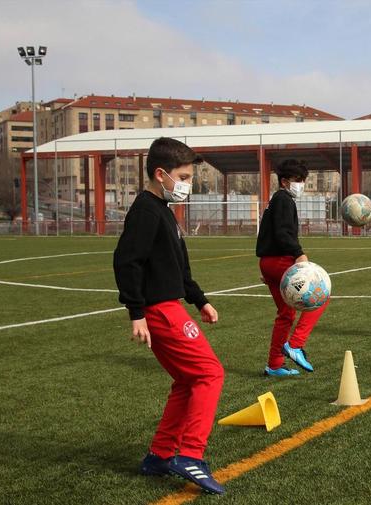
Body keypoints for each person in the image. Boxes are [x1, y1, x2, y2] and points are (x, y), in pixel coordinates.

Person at [113, 137, 225, 495]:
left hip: (171, 305)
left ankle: (160, 455)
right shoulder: (146, 210)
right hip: (160, 311)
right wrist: (136, 313)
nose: (188, 184)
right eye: (184, 176)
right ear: (160, 175)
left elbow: (180, 266)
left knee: (187, 381)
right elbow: (126, 260)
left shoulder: (163, 209)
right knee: (210, 374)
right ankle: (190, 454)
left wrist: (200, 300)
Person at [256, 159, 327, 377]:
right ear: (285, 182)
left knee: (285, 314)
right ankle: (295, 345)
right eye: (298, 181)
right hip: (280, 260)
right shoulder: (284, 199)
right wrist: (299, 254)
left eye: (304, 181)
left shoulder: (276, 200)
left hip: (269, 261)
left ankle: (275, 364)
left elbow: (270, 233)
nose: (302, 185)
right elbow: (283, 233)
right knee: (321, 294)